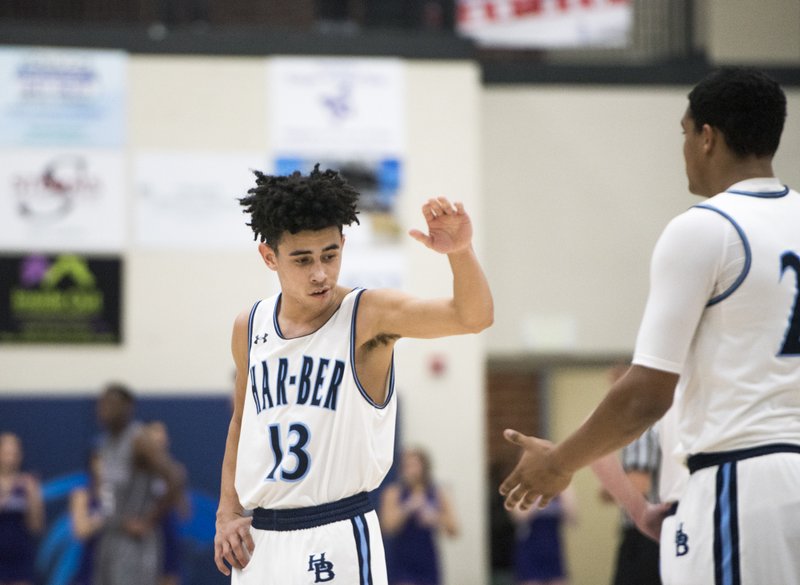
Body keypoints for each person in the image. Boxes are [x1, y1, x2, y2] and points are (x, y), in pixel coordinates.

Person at [499, 66, 800, 585]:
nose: (683, 149)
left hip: (742, 483)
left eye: (684, 134)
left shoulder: (706, 227)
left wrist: (559, 462)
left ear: (707, 138)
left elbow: (644, 397)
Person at [213, 165, 493, 584]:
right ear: (269, 256)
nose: (321, 273)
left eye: (330, 254)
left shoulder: (369, 316)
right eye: (302, 260)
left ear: (344, 243)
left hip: (336, 532)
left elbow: (473, 318)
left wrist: (461, 253)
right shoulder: (248, 326)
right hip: (262, 542)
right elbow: (241, 422)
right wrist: (228, 510)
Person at [94, 383, 185, 585]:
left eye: (111, 403)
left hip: (134, 542)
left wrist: (148, 520)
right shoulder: (106, 443)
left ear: (127, 408)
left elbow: (175, 475)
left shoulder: (138, 439)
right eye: (101, 403)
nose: (104, 409)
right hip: (110, 536)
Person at [597, 365, 661, 585]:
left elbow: (638, 486)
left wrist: (608, 487)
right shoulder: (659, 420)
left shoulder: (638, 427)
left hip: (645, 533)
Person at [379, 447, 459, 585]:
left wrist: (434, 517)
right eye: (406, 466)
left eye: (414, 465)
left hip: (427, 558)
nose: (410, 470)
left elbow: (454, 530)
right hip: (402, 559)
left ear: (424, 467)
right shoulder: (393, 493)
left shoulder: (437, 492)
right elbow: (387, 528)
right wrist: (407, 508)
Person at [0, 432, 44, 585]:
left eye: (15, 453)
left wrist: (33, 496)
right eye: (6, 452)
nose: (10, 458)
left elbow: (36, 527)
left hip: (20, 556)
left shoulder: (28, 484)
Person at [509, 488, 576, 585]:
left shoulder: (563, 487)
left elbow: (573, 519)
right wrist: (537, 494)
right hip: (530, 549)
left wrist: (562, 491)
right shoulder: (520, 487)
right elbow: (518, 517)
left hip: (553, 549)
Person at [69, 451, 106, 585]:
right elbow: (81, 531)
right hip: (89, 568)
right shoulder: (81, 494)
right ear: (92, 463)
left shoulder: (125, 495)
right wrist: (107, 519)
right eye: (101, 459)